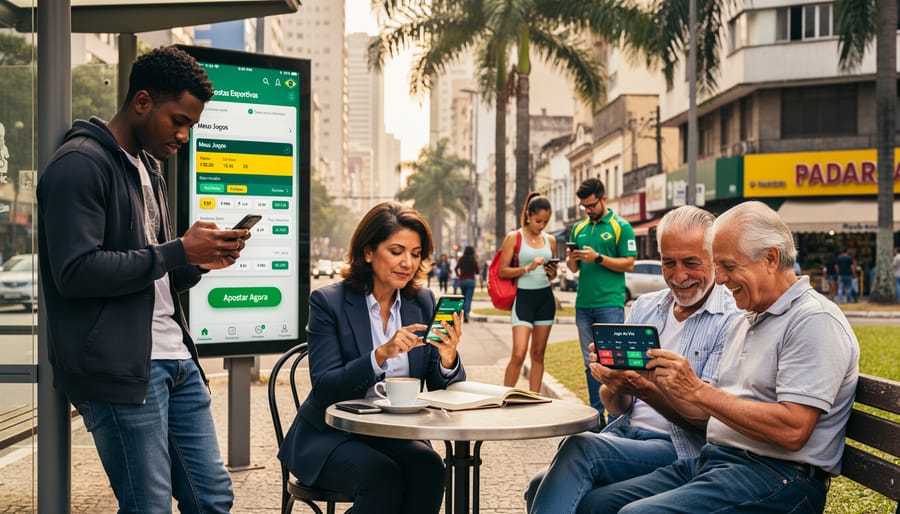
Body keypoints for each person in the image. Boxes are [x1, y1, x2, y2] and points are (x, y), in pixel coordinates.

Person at [37, 47, 245, 512]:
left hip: (176, 359)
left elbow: (149, 269)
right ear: (143, 102)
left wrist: (197, 262)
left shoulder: (150, 168)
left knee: (212, 497)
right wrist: (177, 251)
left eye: (191, 125)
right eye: (178, 120)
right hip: (121, 369)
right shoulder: (79, 164)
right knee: (148, 506)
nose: (184, 135)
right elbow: (75, 272)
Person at [580, 200, 859, 514]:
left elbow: (793, 430)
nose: (721, 279)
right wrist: (649, 380)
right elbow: (709, 410)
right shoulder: (748, 318)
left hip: (779, 477)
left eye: (728, 266)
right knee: (595, 505)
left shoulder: (813, 319)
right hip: (718, 462)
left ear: (770, 258)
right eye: (717, 266)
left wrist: (698, 390)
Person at [525, 205, 742, 514]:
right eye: (668, 263)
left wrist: (646, 389)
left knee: (581, 448)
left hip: (678, 448)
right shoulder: (647, 307)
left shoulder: (729, 319)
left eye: (691, 263)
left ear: (714, 259)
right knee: (540, 482)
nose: (678, 276)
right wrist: (614, 384)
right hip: (624, 435)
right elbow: (616, 407)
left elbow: (706, 422)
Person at [278, 201, 467, 514]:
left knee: (429, 467)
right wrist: (380, 355)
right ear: (368, 252)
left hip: (393, 432)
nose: (407, 262)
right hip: (331, 434)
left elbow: (441, 387)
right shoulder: (329, 302)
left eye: (416, 253)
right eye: (396, 251)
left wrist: (448, 358)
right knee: (381, 477)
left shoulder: (421, 301)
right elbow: (325, 387)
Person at [566, 178, 636, 417]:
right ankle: (597, 416)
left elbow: (629, 263)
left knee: (613, 363)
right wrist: (572, 258)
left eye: (591, 205)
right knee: (590, 364)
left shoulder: (620, 227)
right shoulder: (579, 228)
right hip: (583, 305)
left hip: (610, 304)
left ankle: (617, 416)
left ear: (603, 199)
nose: (588, 210)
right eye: (584, 206)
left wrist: (598, 258)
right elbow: (573, 269)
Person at [498, 192, 558, 392]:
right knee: (518, 353)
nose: (541, 225)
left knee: (538, 353)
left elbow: (552, 276)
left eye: (546, 221)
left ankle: (535, 399)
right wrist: (528, 268)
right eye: (538, 220)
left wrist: (552, 272)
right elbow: (502, 271)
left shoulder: (550, 240)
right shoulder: (514, 237)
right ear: (528, 215)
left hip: (545, 299)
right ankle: (503, 398)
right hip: (523, 299)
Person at [455, 245, 479, 322]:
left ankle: (464, 314)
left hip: (462, 281)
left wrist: (459, 275)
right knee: (468, 298)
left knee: (464, 298)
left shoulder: (461, 259)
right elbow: (477, 270)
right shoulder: (473, 260)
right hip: (471, 281)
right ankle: (467, 313)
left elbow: (456, 268)